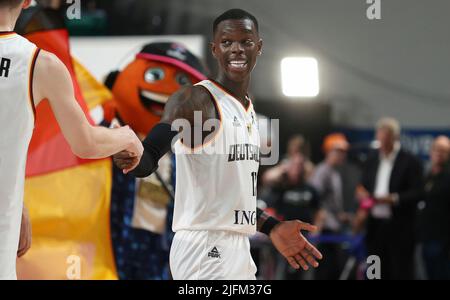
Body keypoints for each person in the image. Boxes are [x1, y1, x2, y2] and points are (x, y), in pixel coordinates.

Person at [113, 8, 322, 280]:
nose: (236, 49)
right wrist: (133, 158)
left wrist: (271, 226)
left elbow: (231, 199)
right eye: (226, 42)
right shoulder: (194, 100)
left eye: (245, 42)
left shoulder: (247, 110)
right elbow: (151, 155)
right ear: (214, 49)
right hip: (204, 247)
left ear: (259, 47)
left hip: (238, 247)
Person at [0, 0, 143, 280]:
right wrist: (127, 137)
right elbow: (85, 143)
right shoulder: (40, 64)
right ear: (28, 1)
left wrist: (17, 200)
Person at [359, 118, 423, 280]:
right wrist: (361, 192)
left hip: (400, 226)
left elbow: (418, 193)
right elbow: (363, 185)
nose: (383, 143)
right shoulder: (372, 159)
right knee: (376, 271)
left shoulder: (410, 161)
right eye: (380, 139)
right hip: (375, 225)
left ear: (395, 138)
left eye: (386, 139)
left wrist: (393, 199)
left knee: (400, 271)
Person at [309, 133, 350, 280]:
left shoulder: (334, 172)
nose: (342, 155)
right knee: (325, 271)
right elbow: (313, 198)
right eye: (338, 151)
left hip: (333, 228)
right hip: (324, 231)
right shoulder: (323, 171)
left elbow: (329, 201)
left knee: (334, 270)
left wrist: (340, 214)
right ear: (328, 151)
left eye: (344, 152)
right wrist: (318, 221)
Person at [417, 136, 450, 279]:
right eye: (436, 149)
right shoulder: (427, 175)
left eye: (443, 151)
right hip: (426, 237)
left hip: (443, 240)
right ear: (430, 151)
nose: (439, 153)